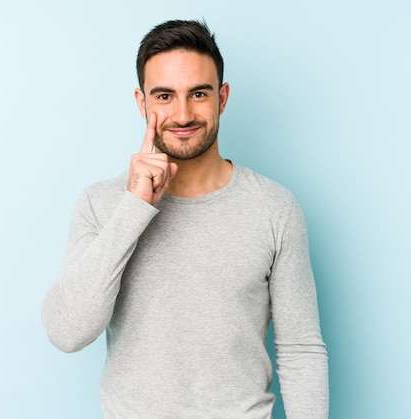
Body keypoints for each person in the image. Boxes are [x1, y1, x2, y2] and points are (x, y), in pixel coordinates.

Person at [42, 19, 328, 418]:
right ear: (142, 103)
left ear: (222, 98)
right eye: (164, 95)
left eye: (198, 93)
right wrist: (134, 205)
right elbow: (66, 332)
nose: (182, 114)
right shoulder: (101, 204)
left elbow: (301, 349)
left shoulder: (274, 208)